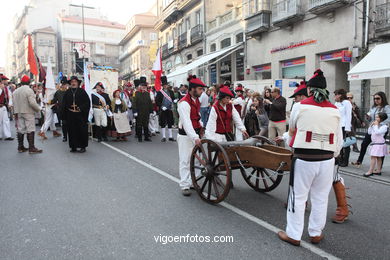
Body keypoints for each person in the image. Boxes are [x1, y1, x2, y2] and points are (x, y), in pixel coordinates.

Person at [278, 69, 343, 246]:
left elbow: (292, 130)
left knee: (298, 197)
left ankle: (294, 234)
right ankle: (315, 233)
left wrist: (290, 144)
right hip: (327, 159)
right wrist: (333, 156)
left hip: (304, 158)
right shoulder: (335, 110)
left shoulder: (300, 106)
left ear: (309, 90)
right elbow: (339, 140)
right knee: (321, 198)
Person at [177, 75, 206, 196]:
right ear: (193, 89)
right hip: (185, 135)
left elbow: (197, 116)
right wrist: (195, 137)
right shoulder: (184, 103)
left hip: (196, 133)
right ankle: (184, 185)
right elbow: (187, 123)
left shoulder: (196, 101)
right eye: (200, 89)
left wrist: (201, 125)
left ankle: (192, 181)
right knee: (185, 160)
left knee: (196, 161)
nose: (202, 91)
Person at [352, 91, 390, 167]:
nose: (376, 100)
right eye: (374, 98)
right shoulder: (373, 107)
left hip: (381, 130)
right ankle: (359, 161)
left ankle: (379, 167)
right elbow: (371, 118)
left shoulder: (386, 107)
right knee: (364, 144)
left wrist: (379, 124)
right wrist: (368, 118)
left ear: (382, 98)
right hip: (373, 129)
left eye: (378, 98)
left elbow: (388, 118)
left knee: (379, 147)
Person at [12, 75, 42, 153]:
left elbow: (13, 103)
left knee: (20, 129)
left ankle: (20, 147)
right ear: (28, 82)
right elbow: (32, 103)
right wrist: (38, 109)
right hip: (28, 111)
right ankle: (31, 148)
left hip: (18, 112)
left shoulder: (15, 91)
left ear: (21, 82)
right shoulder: (29, 90)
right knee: (30, 129)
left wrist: (14, 112)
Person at [61, 76, 91, 153]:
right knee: (71, 131)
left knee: (81, 131)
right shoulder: (67, 92)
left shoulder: (82, 92)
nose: (73, 83)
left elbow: (87, 103)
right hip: (70, 115)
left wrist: (80, 108)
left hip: (80, 115)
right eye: (72, 82)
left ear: (78, 83)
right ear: (70, 83)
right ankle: (73, 146)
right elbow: (63, 104)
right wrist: (63, 117)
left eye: (75, 82)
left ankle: (82, 146)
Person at [363, 112, 388, 177]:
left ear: (381, 119)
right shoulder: (375, 125)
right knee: (378, 157)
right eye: (376, 117)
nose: (376, 118)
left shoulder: (384, 126)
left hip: (379, 144)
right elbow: (369, 132)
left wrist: (376, 125)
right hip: (375, 143)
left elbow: (377, 132)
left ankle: (370, 171)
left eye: (377, 117)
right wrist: (371, 126)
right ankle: (378, 170)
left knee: (373, 157)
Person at [334, 89, 352, 167]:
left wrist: (348, 128)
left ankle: (345, 160)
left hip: (344, 125)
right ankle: (339, 158)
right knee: (338, 143)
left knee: (345, 144)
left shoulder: (347, 103)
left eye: (336, 94)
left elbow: (348, 115)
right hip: (337, 125)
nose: (335, 96)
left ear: (340, 95)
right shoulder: (336, 103)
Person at [133, 77, 153, 142]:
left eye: (145, 86)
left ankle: (146, 137)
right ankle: (140, 138)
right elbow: (134, 103)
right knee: (139, 125)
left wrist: (151, 111)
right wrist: (135, 111)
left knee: (146, 124)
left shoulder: (147, 93)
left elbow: (150, 102)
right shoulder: (136, 93)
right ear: (140, 86)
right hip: (139, 111)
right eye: (142, 86)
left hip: (146, 112)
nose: (144, 87)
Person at [156, 76, 176, 142]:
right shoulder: (159, 92)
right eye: (164, 85)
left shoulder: (171, 92)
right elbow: (157, 101)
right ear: (162, 85)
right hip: (163, 109)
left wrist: (175, 100)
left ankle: (170, 136)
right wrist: (161, 107)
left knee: (170, 122)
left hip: (169, 109)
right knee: (163, 122)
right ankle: (164, 136)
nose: (165, 86)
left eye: (166, 85)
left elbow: (172, 98)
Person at [51, 76, 69, 142]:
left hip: (69, 110)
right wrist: (48, 101)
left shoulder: (69, 91)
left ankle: (70, 135)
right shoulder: (58, 92)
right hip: (62, 110)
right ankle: (65, 136)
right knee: (64, 123)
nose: (65, 86)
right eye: (64, 84)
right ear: (62, 84)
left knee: (69, 124)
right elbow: (54, 100)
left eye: (66, 84)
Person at [0, 74, 13, 140]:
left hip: (4, 106)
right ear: (2, 81)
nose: (7, 81)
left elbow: (9, 96)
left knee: (6, 121)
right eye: (5, 80)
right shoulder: (2, 88)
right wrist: (0, 89)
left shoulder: (6, 88)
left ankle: (8, 136)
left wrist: (10, 104)